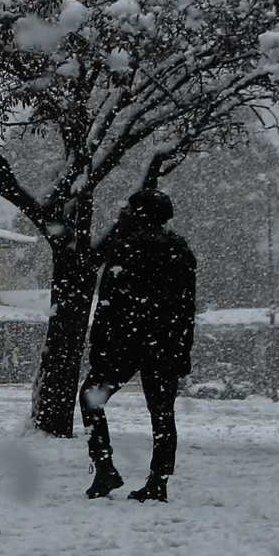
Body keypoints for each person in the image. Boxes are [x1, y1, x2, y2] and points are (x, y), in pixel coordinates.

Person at [81, 188, 197, 503]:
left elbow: (107, 302)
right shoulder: (180, 252)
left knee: (91, 398)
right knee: (162, 414)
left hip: (125, 342)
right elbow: (187, 308)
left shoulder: (125, 249)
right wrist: (182, 347)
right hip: (164, 343)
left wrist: (99, 343)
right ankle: (158, 480)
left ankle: (104, 467)